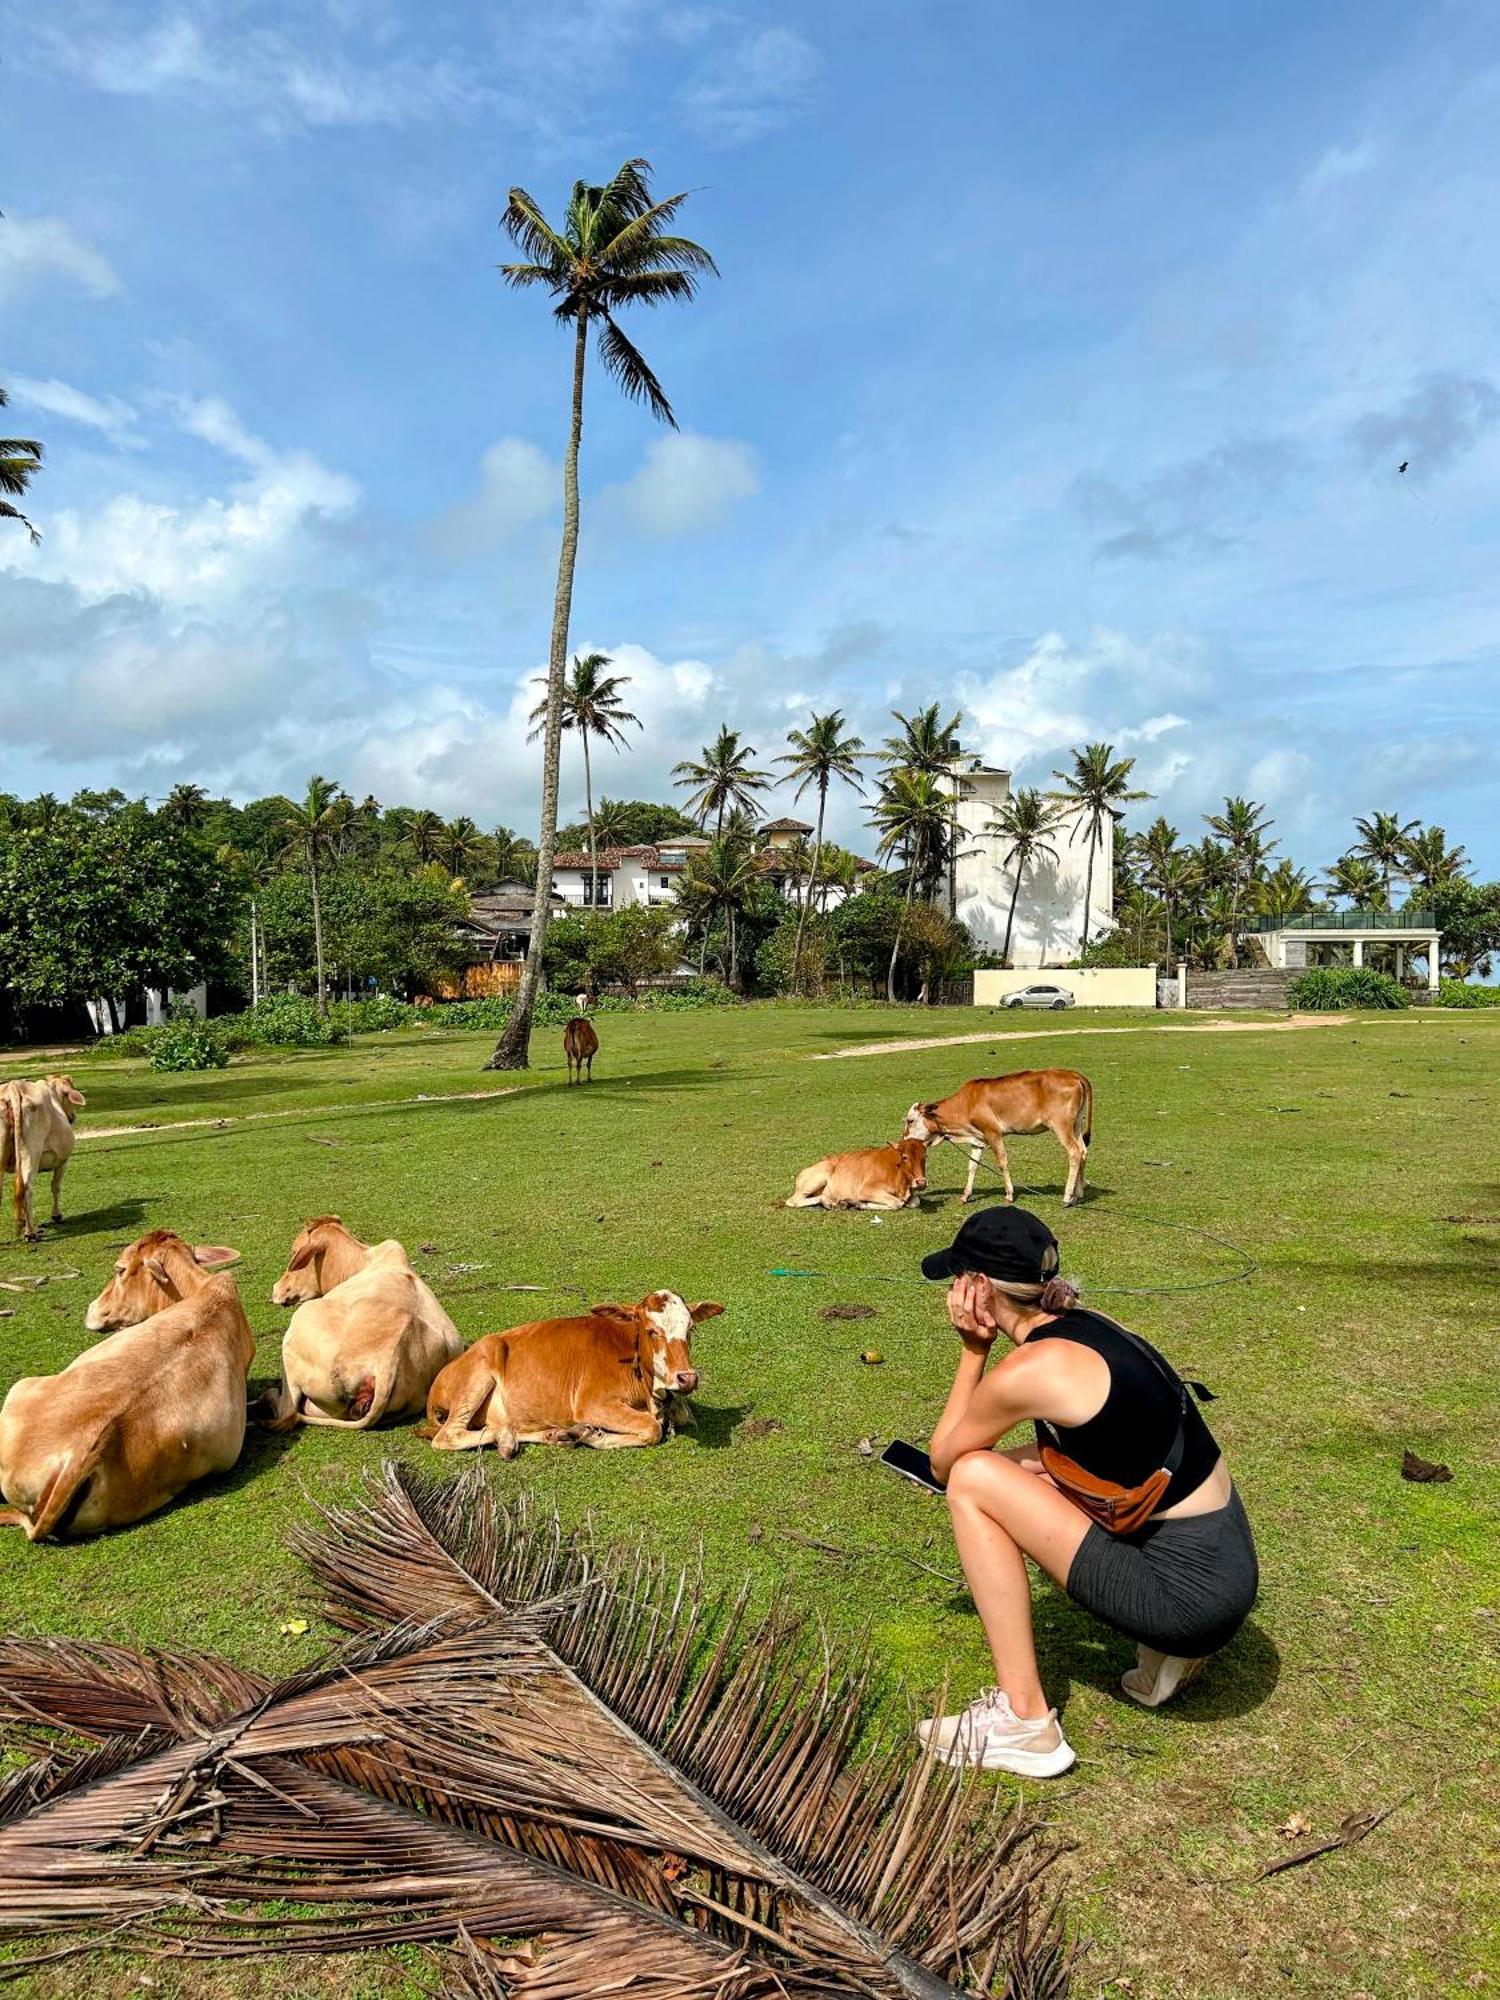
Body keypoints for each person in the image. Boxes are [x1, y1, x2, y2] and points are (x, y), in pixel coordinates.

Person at [915, 1205, 1257, 1778]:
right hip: (1225, 1570)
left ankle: (1025, 1725)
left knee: (974, 1481)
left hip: (1186, 1600)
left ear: (976, 1287)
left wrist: (973, 1350)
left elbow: (946, 1462)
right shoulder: (1094, 1326)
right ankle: (1169, 1655)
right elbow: (1092, 1456)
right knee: (1011, 1473)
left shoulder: (1031, 1370)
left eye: (956, 1277)